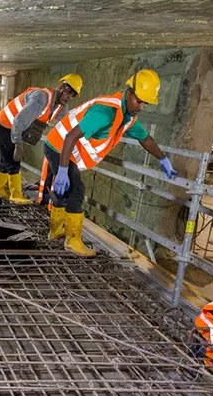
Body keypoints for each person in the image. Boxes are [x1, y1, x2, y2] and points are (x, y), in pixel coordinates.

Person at [40, 69, 177, 256]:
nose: (142, 106)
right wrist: (62, 171)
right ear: (129, 93)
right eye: (139, 100)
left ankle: (56, 230)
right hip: (58, 146)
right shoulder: (105, 112)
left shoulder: (128, 118)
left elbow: (146, 140)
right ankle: (72, 241)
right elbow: (71, 137)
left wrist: (163, 159)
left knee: (66, 190)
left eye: (145, 103)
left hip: (70, 151)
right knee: (76, 189)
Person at [0, 74, 83, 204]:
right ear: (61, 87)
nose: (69, 97)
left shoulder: (60, 106)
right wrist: (18, 143)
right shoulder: (41, 97)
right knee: (13, 160)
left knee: (6, 159)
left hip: (9, 126)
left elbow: (68, 122)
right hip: (5, 125)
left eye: (73, 95)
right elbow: (19, 120)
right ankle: (16, 195)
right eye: (68, 92)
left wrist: (82, 132)